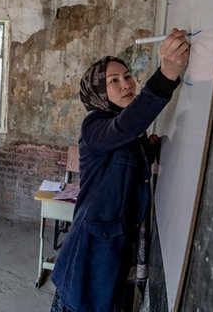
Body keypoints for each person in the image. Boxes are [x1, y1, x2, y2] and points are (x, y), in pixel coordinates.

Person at [50, 28, 190, 312]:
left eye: (127, 76)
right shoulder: (95, 125)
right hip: (90, 253)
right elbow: (124, 128)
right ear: (98, 92)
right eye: (113, 81)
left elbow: (120, 163)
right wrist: (166, 76)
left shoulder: (126, 132)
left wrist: (148, 150)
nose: (125, 84)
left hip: (113, 252)